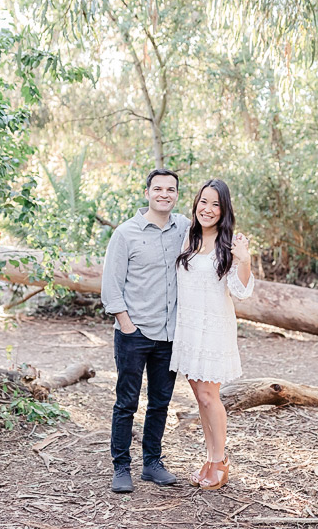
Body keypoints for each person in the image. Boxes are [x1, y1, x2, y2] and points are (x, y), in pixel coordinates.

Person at [100, 169, 190, 493]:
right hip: (134, 333)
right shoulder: (126, 234)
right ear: (147, 192)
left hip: (170, 334)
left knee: (160, 402)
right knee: (126, 403)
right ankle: (121, 467)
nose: (164, 194)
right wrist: (127, 324)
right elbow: (110, 287)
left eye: (171, 189)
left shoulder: (184, 227)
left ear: (177, 194)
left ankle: (152, 463)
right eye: (158, 188)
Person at [169, 178, 253, 490]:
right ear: (196, 204)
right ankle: (210, 456)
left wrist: (244, 260)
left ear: (224, 209)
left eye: (215, 204)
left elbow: (241, 291)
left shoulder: (229, 244)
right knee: (200, 399)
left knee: (209, 396)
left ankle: (220, 462)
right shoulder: (188, 239)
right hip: (189, 329)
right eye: (204, 201)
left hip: (214, 329)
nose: (208, 209)